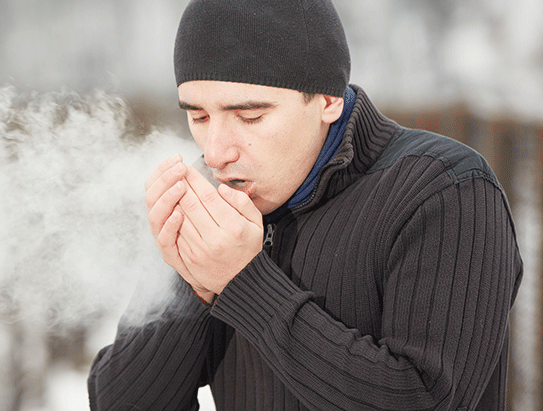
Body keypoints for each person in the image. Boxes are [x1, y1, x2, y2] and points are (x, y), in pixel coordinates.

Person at [88, 0, 523, 409]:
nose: (216, 152)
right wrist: (194, 283)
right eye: (199, 116)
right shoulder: (214, 204)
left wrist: (243, 282)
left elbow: (425, 399)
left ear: (328, 99)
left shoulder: (445, 191)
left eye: (250, 116)